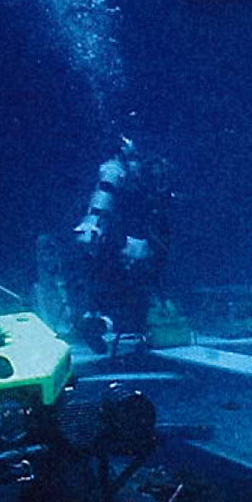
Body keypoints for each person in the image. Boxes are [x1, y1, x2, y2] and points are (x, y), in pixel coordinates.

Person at [71, 136, 170, 350]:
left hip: (114, 241)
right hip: (117, 241)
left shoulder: (122, 173)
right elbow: (102, 202)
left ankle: (97, 322)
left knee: (115, 292)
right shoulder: (115, 171)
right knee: (131, 298)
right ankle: (100, 324)